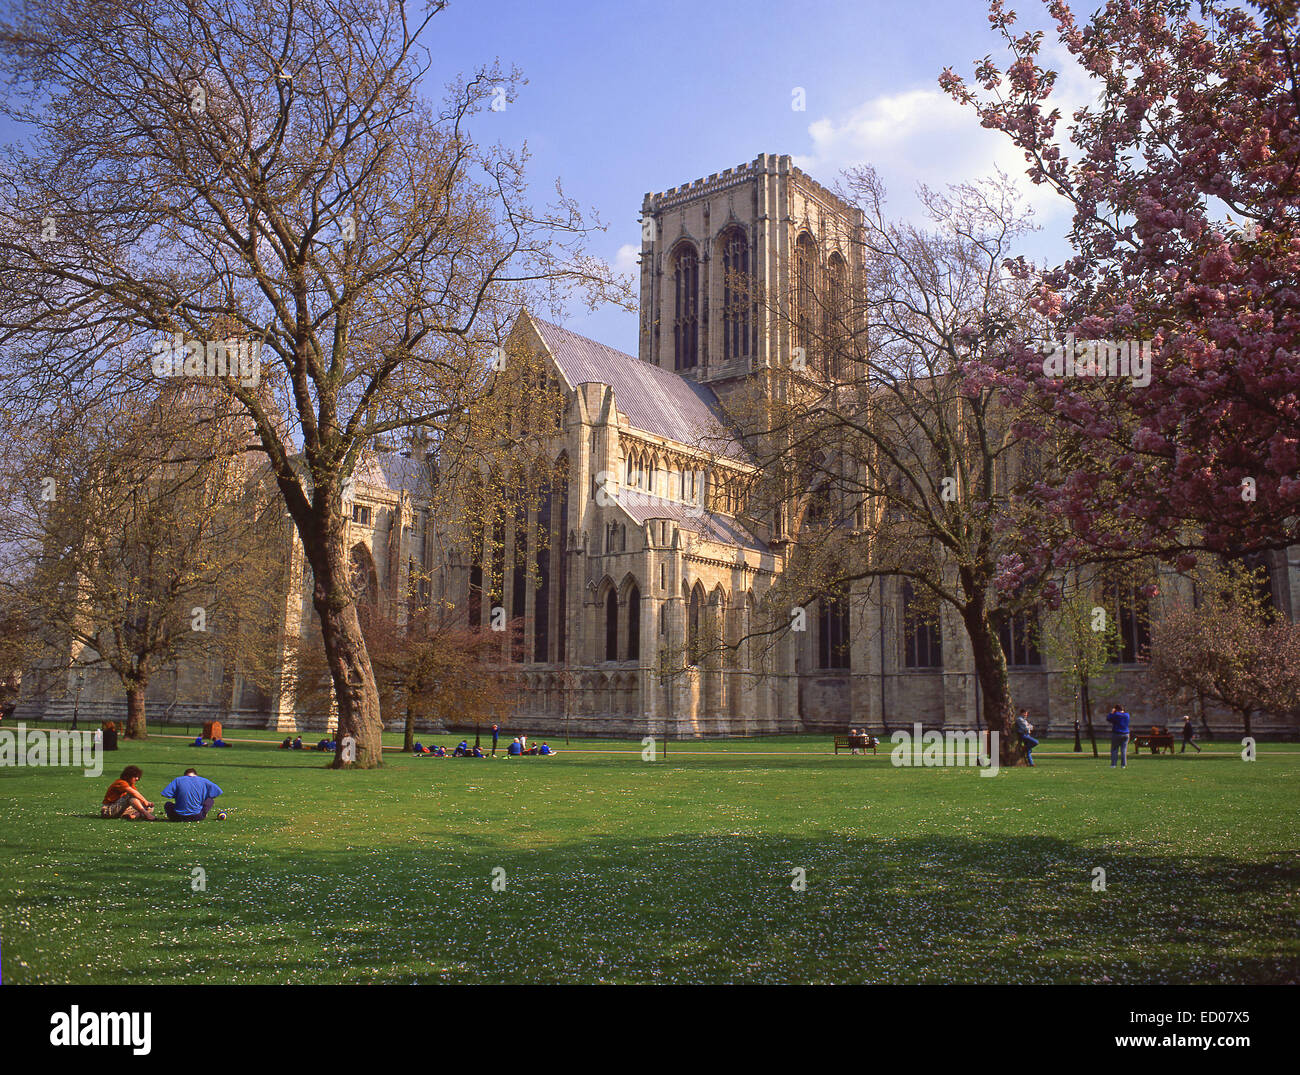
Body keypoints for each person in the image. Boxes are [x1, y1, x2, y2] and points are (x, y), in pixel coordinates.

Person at [1106, 704, 1131, 768]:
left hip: (1117, 733)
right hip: (1126, 733)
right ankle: (1123, 765)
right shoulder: (1127, 715)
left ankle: (1113, 764)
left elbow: (1108, 718)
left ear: (1116, 709)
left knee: (1114, 749)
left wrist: (1112, 712)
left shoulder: (1116, 715)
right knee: (1124, 750)